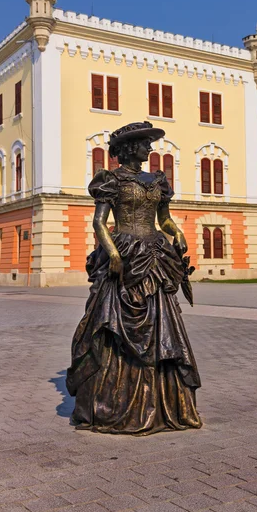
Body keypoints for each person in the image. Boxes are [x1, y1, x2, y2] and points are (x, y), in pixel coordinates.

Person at [66, 121, 202, 435]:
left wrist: (177, 232)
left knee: (161, 326)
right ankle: (114, 400)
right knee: (110, 322)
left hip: (153, 255)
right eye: (144, 143)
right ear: (130, 148)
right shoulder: (109, 181)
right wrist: (112, 254)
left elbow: (164, 220)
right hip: (125, 254)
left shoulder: (157, 181)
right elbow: (100, 223)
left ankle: (163, 402)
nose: (149, 149)